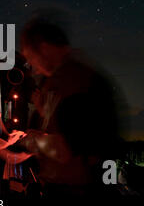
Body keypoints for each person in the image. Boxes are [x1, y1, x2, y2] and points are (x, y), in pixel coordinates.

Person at [17, 16, 123, 196]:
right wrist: (43, 113)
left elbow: (65, 149)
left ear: (44, 49)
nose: (31, 67)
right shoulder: (55, 83)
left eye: (30, 57)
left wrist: (28, 139)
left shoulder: (77, 81)